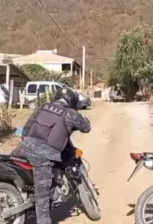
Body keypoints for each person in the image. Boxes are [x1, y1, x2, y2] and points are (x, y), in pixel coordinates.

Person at [13, 87, 91, 224]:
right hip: (43, 155)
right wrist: (86, 121)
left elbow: (26, 128)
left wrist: (28, 143)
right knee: (42, 194)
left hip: (23, 148)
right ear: (71, 101)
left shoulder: (43, 106)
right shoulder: (70, 113)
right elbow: (86, 128)